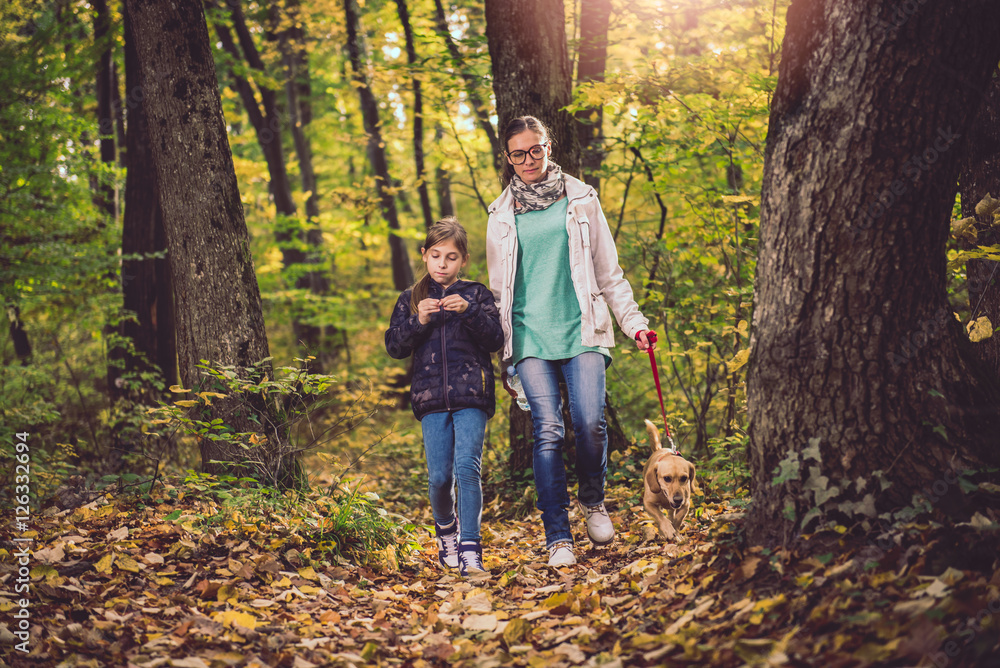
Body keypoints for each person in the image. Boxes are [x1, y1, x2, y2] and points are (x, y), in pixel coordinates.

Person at [486, 116, 653, 567]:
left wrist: (634, 324)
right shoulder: (499, 215)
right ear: (507, 156)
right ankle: (557, 535)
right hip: (529, 336)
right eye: (518, 153)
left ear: (548, 146)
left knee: (590, 422)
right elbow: (499, 293)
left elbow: (608, 272)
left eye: (535, 150)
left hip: (583, 329)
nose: (528, 160)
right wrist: (498, 351)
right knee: (548, 430)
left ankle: (594, 501)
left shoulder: (581, 198)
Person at [385, 217, 504, 576]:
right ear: (424, 255)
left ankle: (471, 549)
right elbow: (395, 347)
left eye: (451, 257)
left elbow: (495, 340)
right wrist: (417, 321)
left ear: (463, 260)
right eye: (435, 255)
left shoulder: (477, 294)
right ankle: (446, 531)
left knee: (468, 470)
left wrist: (469, 313)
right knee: (439, 478)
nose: (442, 264)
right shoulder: (410, 298)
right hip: (430, 399)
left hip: (472, 395)